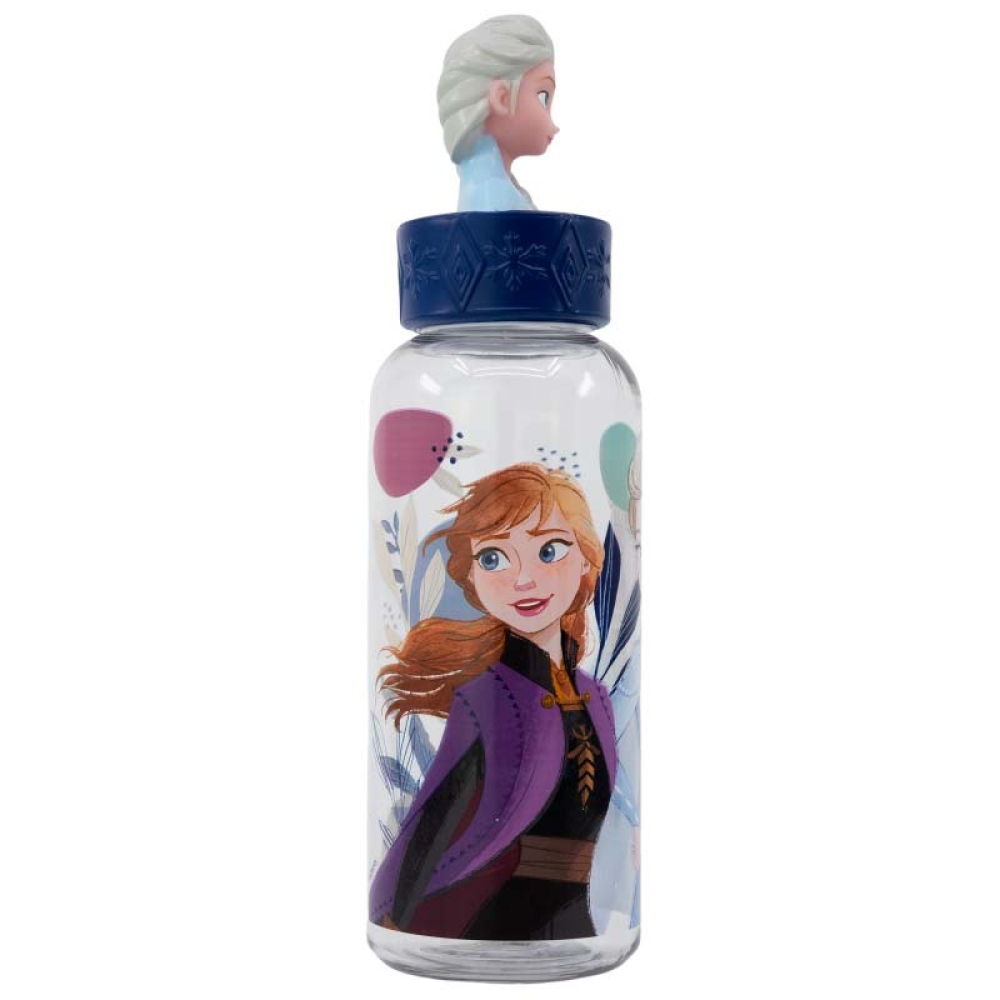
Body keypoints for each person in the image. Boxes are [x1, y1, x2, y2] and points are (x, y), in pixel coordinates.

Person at [369, 463, 618, 940]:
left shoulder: (597, 698)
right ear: (471, 579)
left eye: (549, 551)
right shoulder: (487, 696)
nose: (523, 579)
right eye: (493, 559)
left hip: (578, 915)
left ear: (587, 559)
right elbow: (438, 812)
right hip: (499, 908)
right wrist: (397, 912)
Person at [437, 15, 560, 211]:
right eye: (543, 96)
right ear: (502, 98)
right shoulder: (495, 196)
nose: (554, 126)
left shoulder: (491, 188)